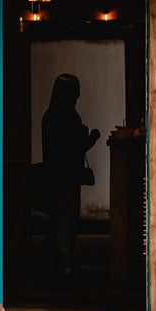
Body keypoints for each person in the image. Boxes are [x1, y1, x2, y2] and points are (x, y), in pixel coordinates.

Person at [40, 73, 100, 277]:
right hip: (67, 177)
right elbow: (75, 147)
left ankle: (50, 264)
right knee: (67, 221)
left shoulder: (49, 115)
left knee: (55, 221)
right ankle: (65, 266)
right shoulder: (69, 116)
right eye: (76, 90)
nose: (79, 94)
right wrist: (92, 137)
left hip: (51, 176)